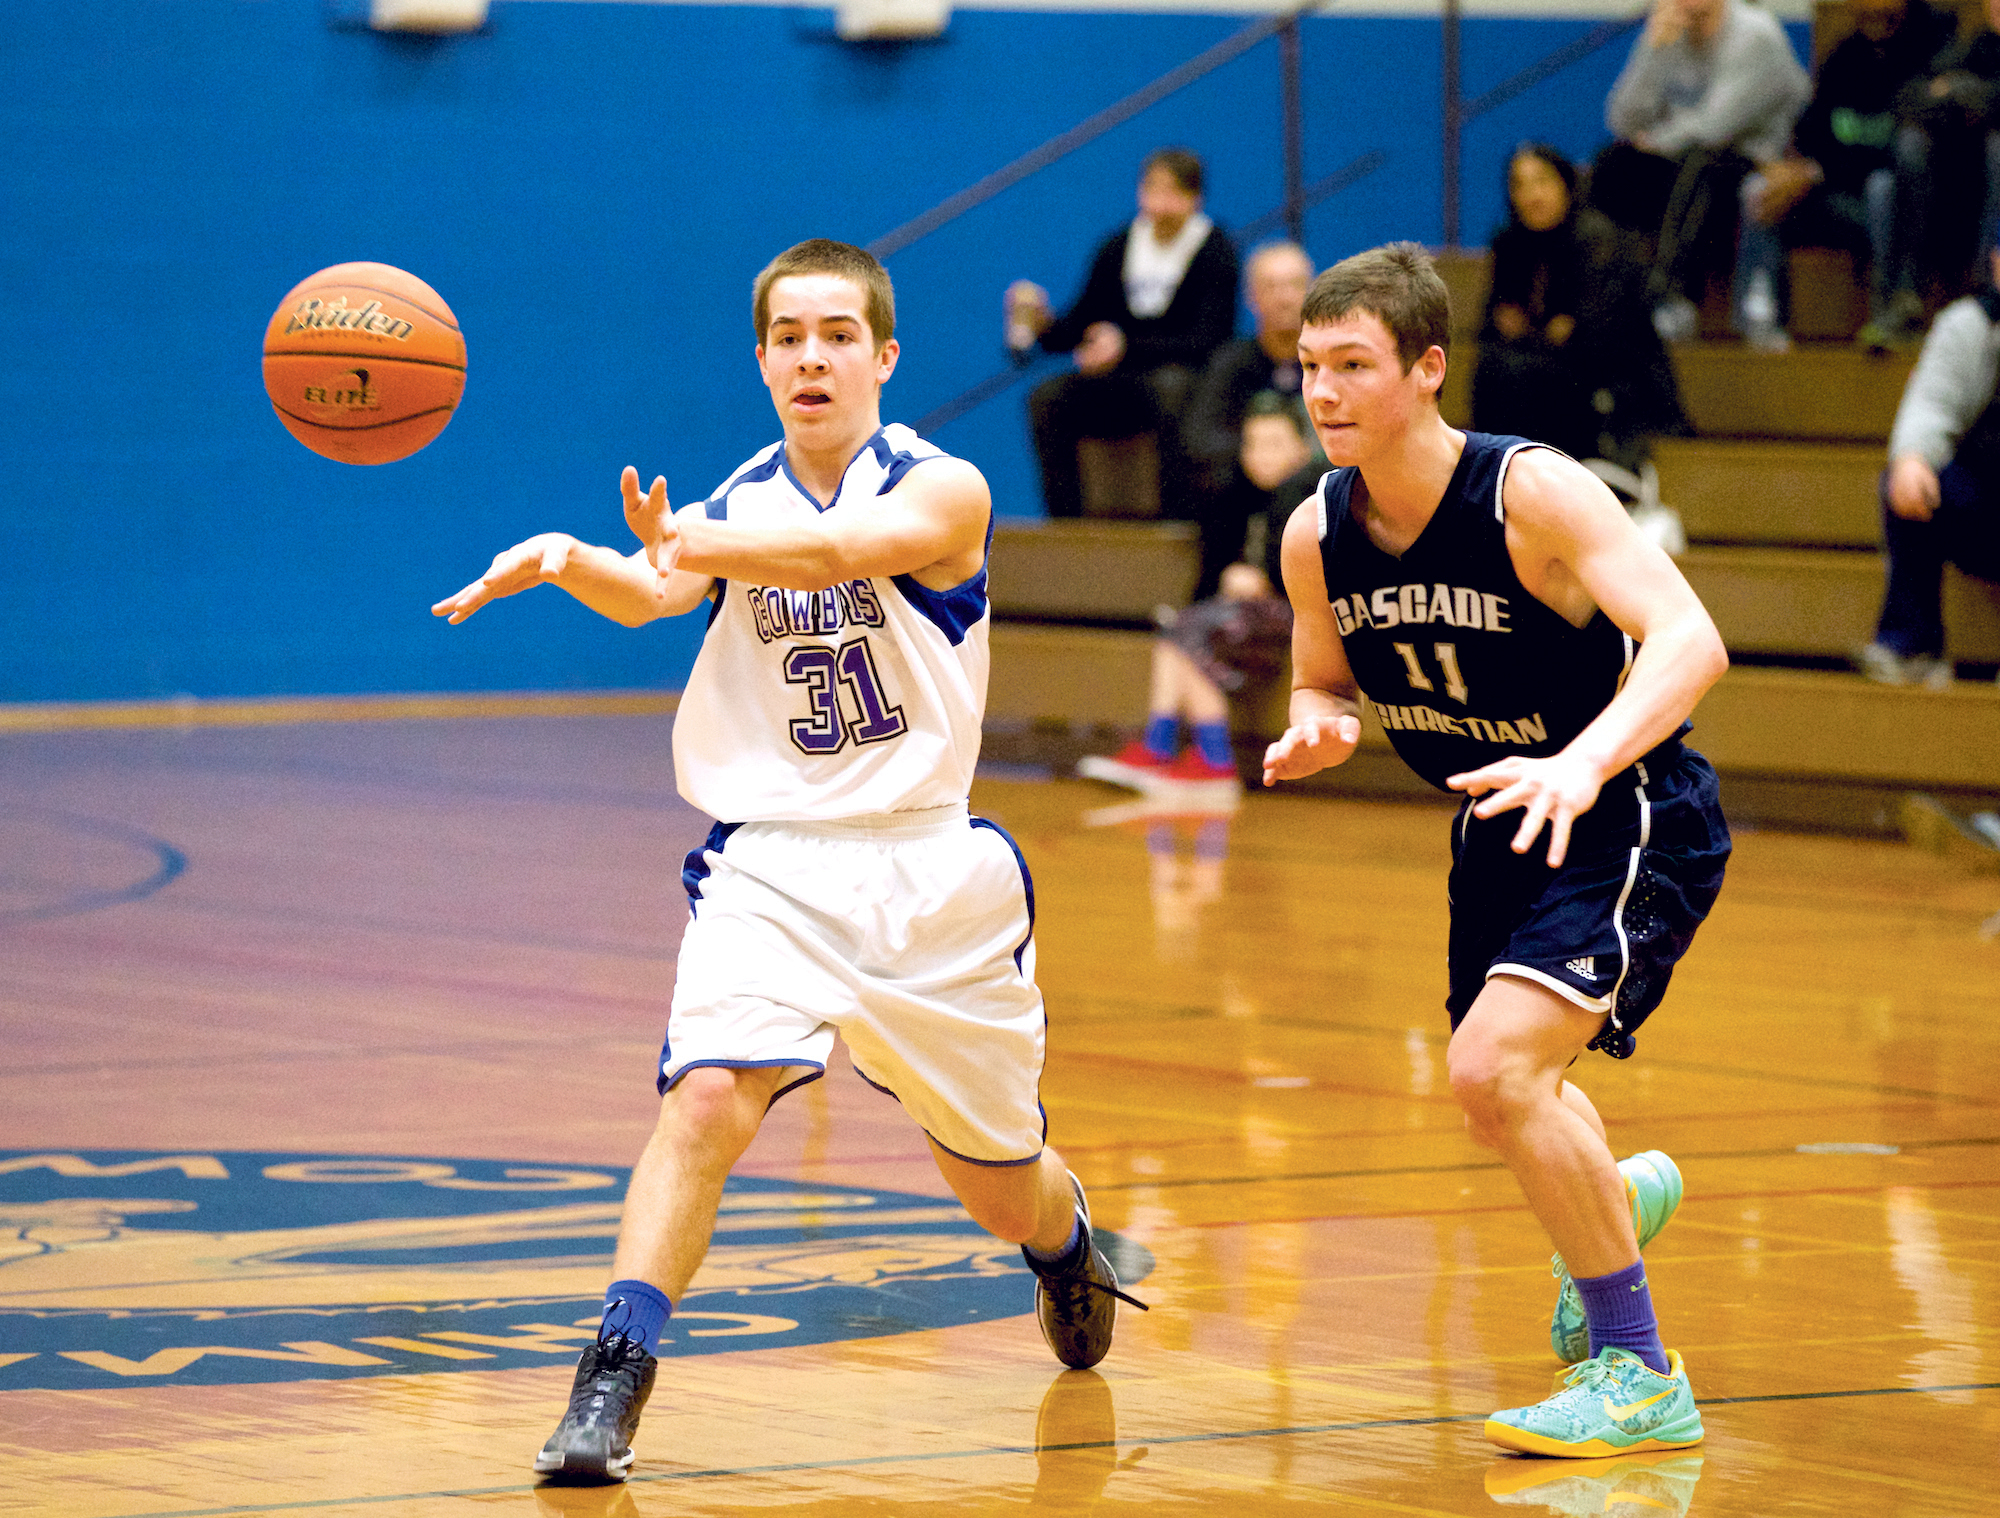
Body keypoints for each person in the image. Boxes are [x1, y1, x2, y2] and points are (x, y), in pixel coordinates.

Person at [432, 239, 1144, 1484]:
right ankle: (612, 1374)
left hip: (927, 875)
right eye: (786, 337)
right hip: (769, 864)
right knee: (703, 1100)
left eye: (834, 334)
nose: (811, 357)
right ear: (761, 360)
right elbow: (654, 587)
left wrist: (691, 549)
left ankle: (1062, 1242)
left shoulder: (946, 489)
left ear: (884, 354)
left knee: (991, 1183)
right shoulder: (736, 499)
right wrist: (559, 559)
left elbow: (825, 557)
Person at [1263, 243, 1732, 1457]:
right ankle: (1610, 1207)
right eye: (1308, 366)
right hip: (1497, 827)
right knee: (1503, 1097)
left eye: (1350, 366)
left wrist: (1583, 760)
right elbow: (1322, 671)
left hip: (1620, 808)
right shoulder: (1314, 535)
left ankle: (1638, 1373)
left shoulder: (1532, 494)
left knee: (1493, 1074)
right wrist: (1316, 722)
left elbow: (1689, 643)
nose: (1320, 393)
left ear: (1425, 369)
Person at [1080, 392, 1317, 791]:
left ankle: (1203, 760)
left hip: (1299, 617)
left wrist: (1265, 581)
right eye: (1252, 444)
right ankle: (1180, 755)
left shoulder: (1310, 495)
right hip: (1243, 618)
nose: (1261, 455)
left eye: (1275, 444)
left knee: (1186, 635)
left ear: (1302, 447)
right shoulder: (1234, 496)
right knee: (1179, 633)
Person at [1009, 149, 1241, 519]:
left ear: (1194, 198)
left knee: (1171, 388)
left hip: (1181, 380)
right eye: (1152, 190)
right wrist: (1042, 325)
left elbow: (1210, 339)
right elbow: (1083, 322)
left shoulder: (1215, 250)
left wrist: (1126, 347)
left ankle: (1175, 521)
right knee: (1047, 399)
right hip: (1121, 383)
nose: (1159, 203)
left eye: (1172, 192)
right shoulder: (1118, 246)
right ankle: (1068, 523)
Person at [1734, 0, 1957, 351]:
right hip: (1842, 197)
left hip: (1913, 210)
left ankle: (1891, 314)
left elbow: (1905, 150)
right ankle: (1760, 324)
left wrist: (1816, 171)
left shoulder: (1937, 46)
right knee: (1761, 188)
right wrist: (1792, 169)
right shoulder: (1845, 56)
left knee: (1882, 187)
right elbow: (1812, 135)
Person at [1592, 0, 1810, 342]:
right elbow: (1622, 120)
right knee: (1613, 165)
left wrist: (1654, 140)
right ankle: (1607, 292)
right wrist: (1653, 50)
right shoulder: (1670, 31)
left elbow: (1715, 127)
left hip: (1759, 159)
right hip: (1682, 154)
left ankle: (1672, 299)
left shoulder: (1755, 34)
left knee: (1698, 165)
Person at [1473, 144, 1688, 464]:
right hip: (1540, 372)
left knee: (1522, 374)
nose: (1532, 195)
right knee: (1494, 368)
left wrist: (1532, 334)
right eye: (1520, 185)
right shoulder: (1510, 245)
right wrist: (1543, 334)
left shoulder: (1597, 239)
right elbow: (1494, 326)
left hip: (1611, 383)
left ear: (1566, 185)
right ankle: (1498, 475)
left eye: (1542, 182)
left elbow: (1595, 340)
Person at [1858, 236, 2000, 687]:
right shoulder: (1968, 325)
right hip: (1985, 508)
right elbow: (1930, 406)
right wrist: (1912, 458)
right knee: (1913, 478)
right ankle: (1911, 644)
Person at [1183, 241, 1315, 597]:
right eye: (1272, 287)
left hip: (1314, 484)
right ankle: (1211, 598)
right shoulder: (1231, 362)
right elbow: (1198, 435)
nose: (1285, 297)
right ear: (1252, 297)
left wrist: (1300, 459)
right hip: (1245, 485)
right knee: (1215, 481)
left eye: (1295, 285)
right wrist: (1251, 452)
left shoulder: (1333, 361)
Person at [1885, 0, 2000, 338]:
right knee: (1910, 147)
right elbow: (1912, 97)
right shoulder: (1976, 46)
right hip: (1964, 180)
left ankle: (1989, 293)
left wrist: (1961, 91)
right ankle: (1905, 294)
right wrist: (1961, 96)